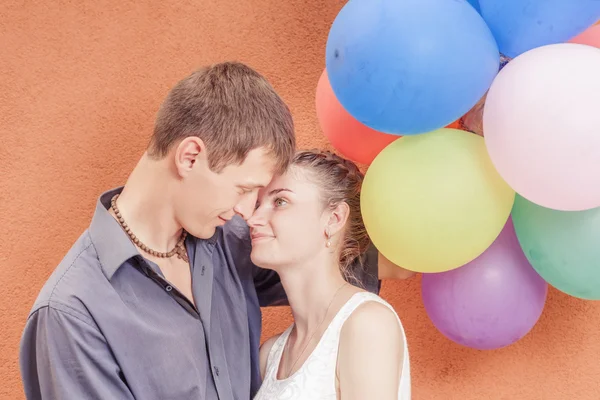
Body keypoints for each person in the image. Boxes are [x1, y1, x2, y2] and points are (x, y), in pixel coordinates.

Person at [19, 62, 410, 400]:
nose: (247, 210)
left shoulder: (230, 243)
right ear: (190, 156)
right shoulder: (71, 313)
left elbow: (334, 259)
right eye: (244, 189)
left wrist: (415, 243)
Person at [251, 150, 411, 400]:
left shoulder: (367, 325)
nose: (253, 218)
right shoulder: (270, 355)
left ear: (334, 219)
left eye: (280, 202)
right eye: (257, 204)